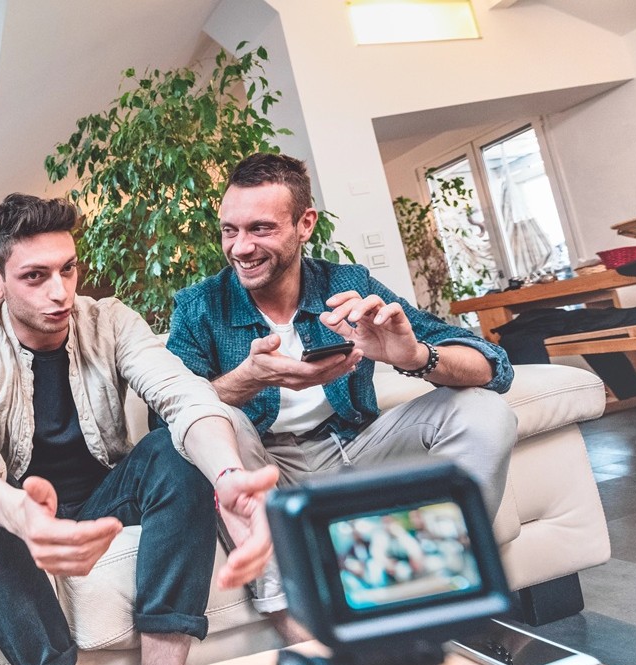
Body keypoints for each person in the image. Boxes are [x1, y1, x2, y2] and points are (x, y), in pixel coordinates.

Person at [0, 193, 279, 665]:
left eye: (67, 269)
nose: (60, 292)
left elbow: (183, 395)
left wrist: (228, 475)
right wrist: (17, 512)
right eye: (35, 276)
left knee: (174, 450)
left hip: (106, 499)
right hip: (24, 513)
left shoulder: (109, 320)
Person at [167, 152, 517, 626]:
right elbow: (171, 417)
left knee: (483, 410)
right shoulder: (198, 306)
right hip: (264, 466)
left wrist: (414, 356)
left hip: (353, 448)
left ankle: (433, 580)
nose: (241, 247)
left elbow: (493, 365)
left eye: (261, 229)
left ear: (304, 224)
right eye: (230, 230)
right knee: (218, 418)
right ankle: (292, 615)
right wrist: (250, 377)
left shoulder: (348, 284)